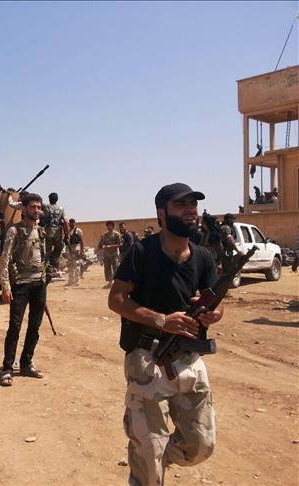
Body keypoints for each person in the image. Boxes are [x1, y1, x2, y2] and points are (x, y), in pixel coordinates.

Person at [108, 182, 223, 486]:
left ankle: (154, 455)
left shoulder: (202, 257)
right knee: (149, 451)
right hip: (148, 358)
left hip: (189, 357)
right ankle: (148, 459)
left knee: (201, 445)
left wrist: (214, 314)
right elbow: (116, 299)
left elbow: (216, 302)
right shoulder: (141, 252)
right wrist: (161, 320)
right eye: (181, 205)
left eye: (193, 204)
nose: (190, 211)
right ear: (162, 213)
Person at [0, 193, 48, 387]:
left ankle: (26, 363)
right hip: (20, 284)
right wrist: (5, 286)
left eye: (39, 207)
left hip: (39, 284)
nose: (36, 210)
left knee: (34, 327)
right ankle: (7, 368)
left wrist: (44, 280)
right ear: (24, 209)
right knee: (15, 327)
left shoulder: (41, 231)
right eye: (33, 207)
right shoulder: (14, 231)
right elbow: (5, 259)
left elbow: (43, 257)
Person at [41, 192, 68, 275]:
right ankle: (54, 266)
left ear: (49, 199)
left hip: (47, 233)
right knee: (58, 250)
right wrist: (66, 234)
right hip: (58, 233)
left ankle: (46, 268)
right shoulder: (61, 208)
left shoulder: (46, 207)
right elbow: (65, 221)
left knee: (47, 252)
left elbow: (39, 202)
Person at [99, 221, 122, 287]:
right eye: (108, 226)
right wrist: (102, 246)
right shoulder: (105, 235)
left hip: (114, 254)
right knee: (107, 269)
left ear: (113, 226)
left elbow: (120, 244)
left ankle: (116, 282)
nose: (109, 227)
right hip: (106, 254)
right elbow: (101, 244)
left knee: (115, 268)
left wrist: (111, 246)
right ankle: (110, 283)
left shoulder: (117, 234)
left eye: (110, 225)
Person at [66, 218, 85, 286]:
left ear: (74, 223)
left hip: (76, 248)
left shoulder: (78, 230)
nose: (71, 224)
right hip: (69, 248)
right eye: (70, 223)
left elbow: (81, 241)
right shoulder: (68, 231)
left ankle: (77, 281)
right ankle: (71, 281)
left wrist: (82, 251)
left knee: (76, 265)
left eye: (72, 222)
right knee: (70, 265)